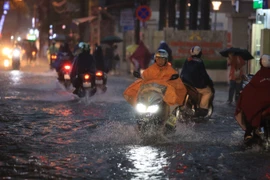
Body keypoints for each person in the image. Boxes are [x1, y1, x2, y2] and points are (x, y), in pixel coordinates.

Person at [123, 49, 187, 128]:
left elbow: (176, 84)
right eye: (158, 58)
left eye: (162, 59)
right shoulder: (150, 70)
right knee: (139, 102)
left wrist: (170, 85)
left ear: (166, 60)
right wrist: (140, 77)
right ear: (155, 59)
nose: (160, 60)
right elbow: (144, 79)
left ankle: (171, 120)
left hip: (165, 94)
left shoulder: (171, 71)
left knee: (172, 103)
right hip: (152, 93)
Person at [235, 54, 270, 144]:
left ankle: (248, 133)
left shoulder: (258, 76)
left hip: (260, 110)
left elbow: (248, 92)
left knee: (247, 107)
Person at [180, 46, 214, 117]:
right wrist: (209, 82)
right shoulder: (199, 62)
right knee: (208, 92)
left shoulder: (187, 60)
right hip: (196, 85)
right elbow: (204, 75)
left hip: (184, 83)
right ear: (199, 53)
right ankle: (202, 109)